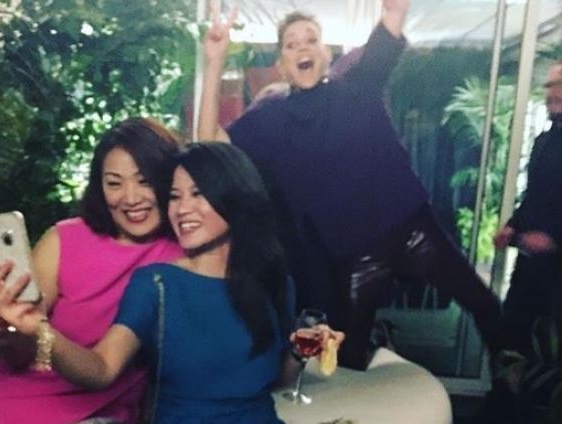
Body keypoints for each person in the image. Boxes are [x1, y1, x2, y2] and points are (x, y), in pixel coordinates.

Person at [0, 141, 344, 424]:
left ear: (235, 197)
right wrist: (39, 330)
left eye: (198, 193)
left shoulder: (276, 284)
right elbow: (101, 369)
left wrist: (301, 349)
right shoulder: (157, 284)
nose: (182, 208)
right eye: (175, 196)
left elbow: (275, 380)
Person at [198, 0, 503, 369]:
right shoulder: (269, 119)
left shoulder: (358, 84)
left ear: (326, 54)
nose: (303, 47)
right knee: (346, 358)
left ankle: (513, 378)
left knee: (482, 302)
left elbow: (389, 24)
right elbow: (209, 143)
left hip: (413, 231)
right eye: (292, 44)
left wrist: (394, 11)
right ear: (281, 64)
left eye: (311, 39)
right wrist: (214, 61)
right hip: (358, 256)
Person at [0, 117, 183, 424]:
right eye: (114, 183)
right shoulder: (65, 238)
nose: (131, 198)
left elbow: (104, 370)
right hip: (10, 400)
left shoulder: (180, 257)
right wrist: (1, 328)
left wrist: (37, 331)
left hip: (96, 415)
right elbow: (23, 352)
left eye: (145, 180)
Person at [493, 62, 562, 356]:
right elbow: (534, 196)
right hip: (533, 262)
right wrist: (513, 226)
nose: (552, 93)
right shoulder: (545, 141)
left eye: (559, 85)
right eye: (549, 86)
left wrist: (554, 239)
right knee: (512, 333)